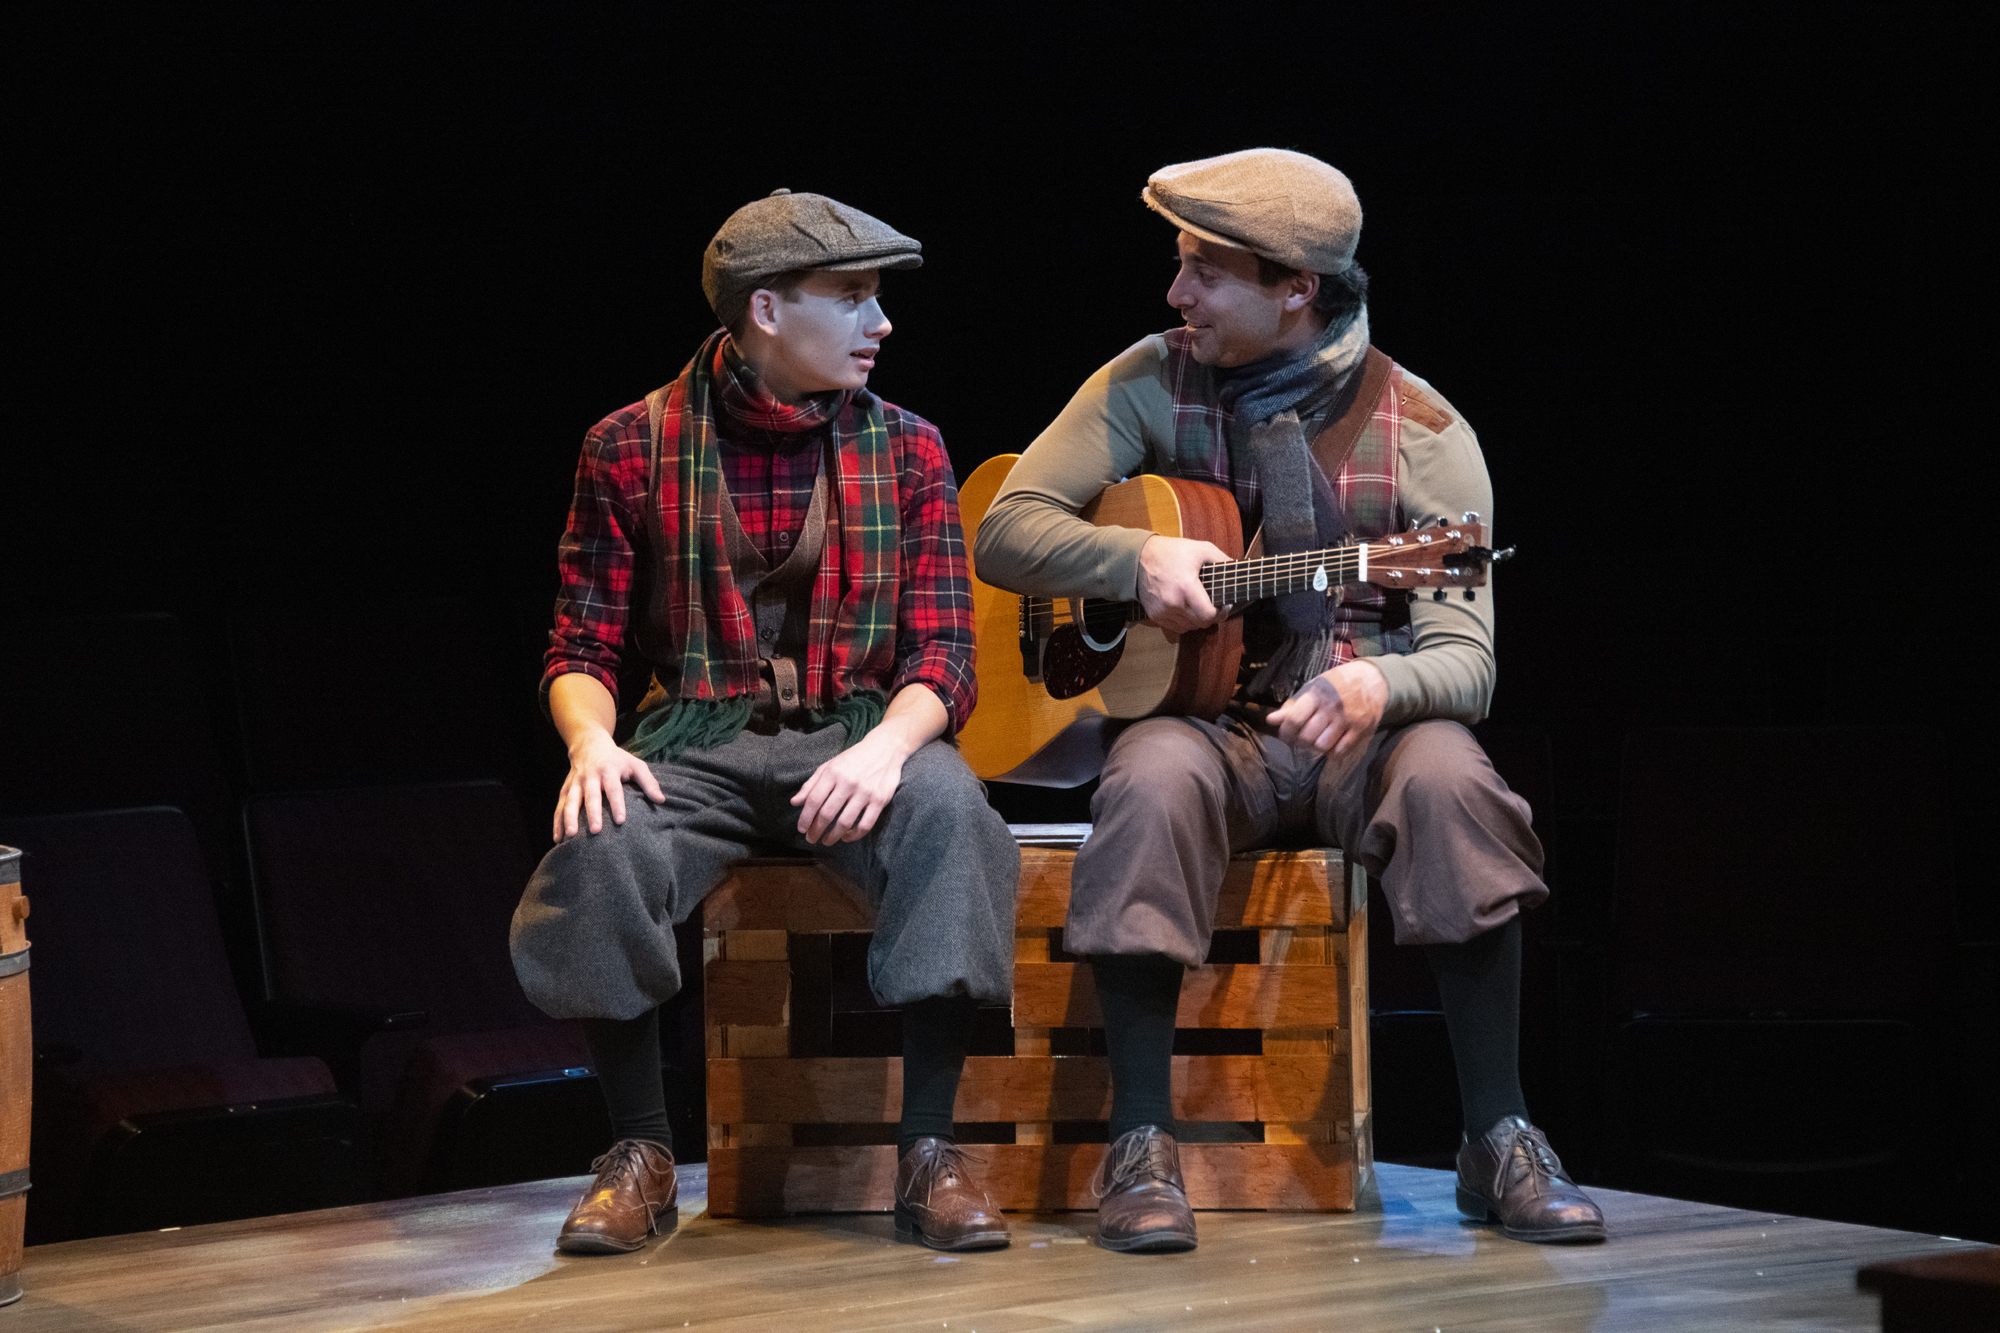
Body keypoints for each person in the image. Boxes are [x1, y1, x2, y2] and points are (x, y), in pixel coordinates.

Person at [973, 149, 1605, 1252]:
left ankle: (1497, 1132)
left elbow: (1467, 660)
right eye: (1178, 267)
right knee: (1150, 774)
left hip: (1361, 734)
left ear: (1294, 288)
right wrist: (1131, 563)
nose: (1175, 296)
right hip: (1212, 729)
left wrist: (1377, 682)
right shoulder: (1143, 379)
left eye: (1202, 273)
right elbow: (1004, 526)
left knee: (1455, 777)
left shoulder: (1425, 432)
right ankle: (1140, 1142)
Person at [512, 189, 1020, 1255]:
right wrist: (590, 742)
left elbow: (945, 656)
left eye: (878, 298)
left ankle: (927, 1149)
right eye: (851, 297)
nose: (879, 324)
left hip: (859, 734)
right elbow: (584, 643)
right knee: (599, 841)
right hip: (697, 740)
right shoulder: (630, 445)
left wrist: (885, 749)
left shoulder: (909, 450)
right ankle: (639, 1153)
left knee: (952, 818)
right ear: (765, 308)